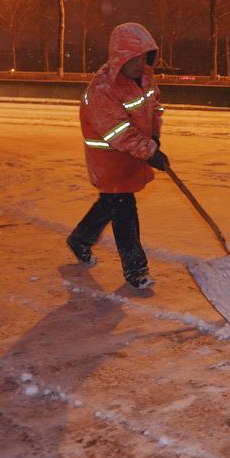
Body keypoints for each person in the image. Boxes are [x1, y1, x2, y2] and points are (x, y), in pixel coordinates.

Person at [66, 22, 170, 289]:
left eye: (143, 57)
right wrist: (150, 152)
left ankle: (80, 238)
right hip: (109, 156)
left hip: (133, 152)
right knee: (124, 207)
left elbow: (155, 107)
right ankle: (136, 269)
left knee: (110, 203)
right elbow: (118, 133)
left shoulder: (146, 76)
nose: (139, 64)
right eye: (132, 59)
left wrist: (154, 138)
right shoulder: (103, 89)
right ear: (119, 58)